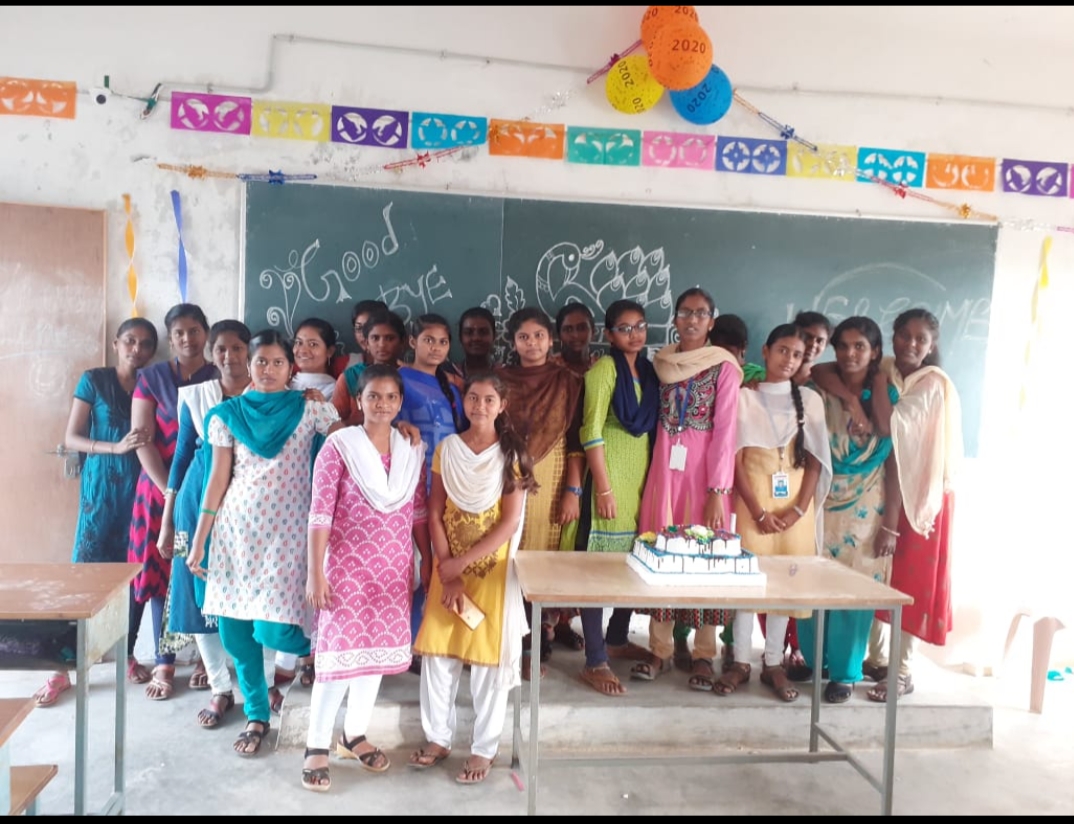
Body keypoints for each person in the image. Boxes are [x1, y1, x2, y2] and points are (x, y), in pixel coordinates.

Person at [188, 330, 342, 757]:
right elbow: (217, 480)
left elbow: (351, 445)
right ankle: (256, 714)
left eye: (277, 362)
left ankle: (321, 654)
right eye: (261, 362)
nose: (268, 370)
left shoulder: (310, 409)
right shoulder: (226, 415)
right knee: (236, 635)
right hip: (235, 534)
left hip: (288, 536)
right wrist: (200, 540)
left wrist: (389, 428)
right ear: (249, 365)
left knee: (274, 628)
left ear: (291, 367)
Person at [301, 365, 430, 792]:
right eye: (373, 396)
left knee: (371, 655)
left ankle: (353, 735)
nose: (382, 404)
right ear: (358, 400)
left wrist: (427, 560)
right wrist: (315, 573)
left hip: (392, 570)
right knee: (336, 659)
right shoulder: (339, 447)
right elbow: (320, 514)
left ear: (400, 402)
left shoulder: (410, 448)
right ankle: (316, 746)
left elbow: (418, 512)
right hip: (345, 570)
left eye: (391, 397)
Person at [409, 372, 537, 785]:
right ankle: (438, 738)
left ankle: (485, 747)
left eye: (489, 399)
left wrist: (461, 565)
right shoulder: (448, 449)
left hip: (490, 571)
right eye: (473, 398)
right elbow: (435, 511)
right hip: (448, 568)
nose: (480, 406)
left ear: (502, 406)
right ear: (463, 402)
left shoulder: (511, 454)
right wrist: (447, 568)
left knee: (487, 662)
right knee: (438, 655)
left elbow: (508, 523)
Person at [32, 319, 158, 708]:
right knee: (82, 577)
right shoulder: (95, 380)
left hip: (139, 492)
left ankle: (125, 653)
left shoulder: (153, 383)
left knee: (131, 577)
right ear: (116, 343)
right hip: (100, 491)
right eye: (130, 341)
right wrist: (113, 448)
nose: (137, 349)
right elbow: (71, 437)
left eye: (146, 344)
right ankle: (60, 668)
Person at [630, 288, 741, 691]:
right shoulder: (661, 363)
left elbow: (725, 433)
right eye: (685, 312)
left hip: (703, 478)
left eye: (701, 313)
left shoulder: (723, 367)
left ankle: (703, 654)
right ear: (675, 319)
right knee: (661, 554)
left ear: (711, 321)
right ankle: (659, 649)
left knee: (705, 559)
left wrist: (717, 490)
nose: (692, 320)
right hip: (664, 473)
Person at [714, 324, 832, 702]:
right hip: (753, 506)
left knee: (786, 583)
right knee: (747, 583)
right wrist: (757, 510)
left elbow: (815, 461)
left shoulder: (810, 401)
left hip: (794, 510)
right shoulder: (744, 397)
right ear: (765, 351)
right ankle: (739, 661)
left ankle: (773, 662)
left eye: (797, 354)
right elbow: (734, 461)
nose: (789, 360)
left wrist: (798, 510)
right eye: (782, 350)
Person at [794, 316, 900, 703]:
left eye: (860, 347)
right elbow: (818, 372)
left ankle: (845, 672)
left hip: (867, 505)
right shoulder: (817, 390)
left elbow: (892, 452)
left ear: (875, 352)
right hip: (819, 497)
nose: (850, 353)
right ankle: (816, 661)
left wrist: (891, 524)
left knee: (854, 588)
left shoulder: (887, 392)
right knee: (812, 579)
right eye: (843, 346)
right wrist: (850, 401)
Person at [861, 309, 962, 701]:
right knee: (878, 572)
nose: (911, 344)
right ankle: (876, 659)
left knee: (909, 581)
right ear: (893, 336)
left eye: (921, 339)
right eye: (904, 335)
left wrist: (878, 381)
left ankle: (901, 670)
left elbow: (890, 425)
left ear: (932, 345)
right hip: (885, 491)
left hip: (922, 498)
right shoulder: (890, 371)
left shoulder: (931, 384)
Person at [156, 320, 251, 727]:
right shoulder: (197, 396)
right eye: (220, 349)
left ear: (249, 351)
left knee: (248, 595)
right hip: (197, 501)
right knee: (198, 596)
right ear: (211, 353)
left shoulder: (267, 391)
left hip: (248, 506)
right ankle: (219, 687)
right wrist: (167, 520)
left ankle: (256, 687)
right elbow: (181, 458)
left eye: (236, 348)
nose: (228, 356)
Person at [128, 303, 218, 700]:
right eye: (179, 332)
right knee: (159, 574)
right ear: (170, 338)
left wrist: (188, 491)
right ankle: (164, 660)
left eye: (194, 330)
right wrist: (172, 491)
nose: (187, 338)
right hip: (158, 490)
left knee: (204, 570)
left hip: (208, 490)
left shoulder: (220, 375)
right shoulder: (152, 378)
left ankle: (205, 658)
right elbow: (142, 439)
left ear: (205, 333)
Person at [576, 300, 660, 696]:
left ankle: (617, 638)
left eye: (639, 326)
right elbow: (590, 431)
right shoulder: (604, 370)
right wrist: (604, 488)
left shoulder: (649, 371)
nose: (634, 334)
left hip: (641, 481)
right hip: (608, 480)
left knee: (634, 560)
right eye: (624, 328)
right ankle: (594, 660)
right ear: (609, 334)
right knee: (596, 569)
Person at [499, 307, 585, 671]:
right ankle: (514, 636)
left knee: (545, 557)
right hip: (507, 473)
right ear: (513, 342)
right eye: (523, 337)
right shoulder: (499, 380)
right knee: (510, 556)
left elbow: (577, 441)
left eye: (539, 336)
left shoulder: (569, 381)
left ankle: (541, 632)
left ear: (551, 340)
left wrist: (572, 492)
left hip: (552, 476)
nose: (531, 343)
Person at [397, 314, 467, 674]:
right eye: (428, 340)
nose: (436, 348)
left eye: (442, 342)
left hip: (446, 485)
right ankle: (406, 644)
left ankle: (432, 641)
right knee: (412, 566)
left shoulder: (451, 388)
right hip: (408, 486)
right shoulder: (398, 380)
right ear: (413, 342)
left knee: (438, 564)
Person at [333, 309, 406, 427]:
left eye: (389, 338)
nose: (382, 345)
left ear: (402, 342)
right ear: (367, 343)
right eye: (375, 338)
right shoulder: (351, 377)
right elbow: (332, 423)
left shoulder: (410, 378)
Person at [290, 317, 340, 401]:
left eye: (313, 344)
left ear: (329, 351)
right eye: (299, 342)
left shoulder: (334, 391)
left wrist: (322, 406)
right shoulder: (283, 382)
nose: (302, 350)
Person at [551, 302, 599, 376]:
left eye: (582, 328)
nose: (575, 335)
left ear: (593, 332)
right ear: (559, 335)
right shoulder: (549, 368)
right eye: (568, 329)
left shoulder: (602, 367)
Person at [453, 306, 498, 381]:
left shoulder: (509, 375)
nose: (476, 338)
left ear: (494, 336)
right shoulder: (445, 374)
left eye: (483, 332)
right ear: (460, 337)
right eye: (468, 332)